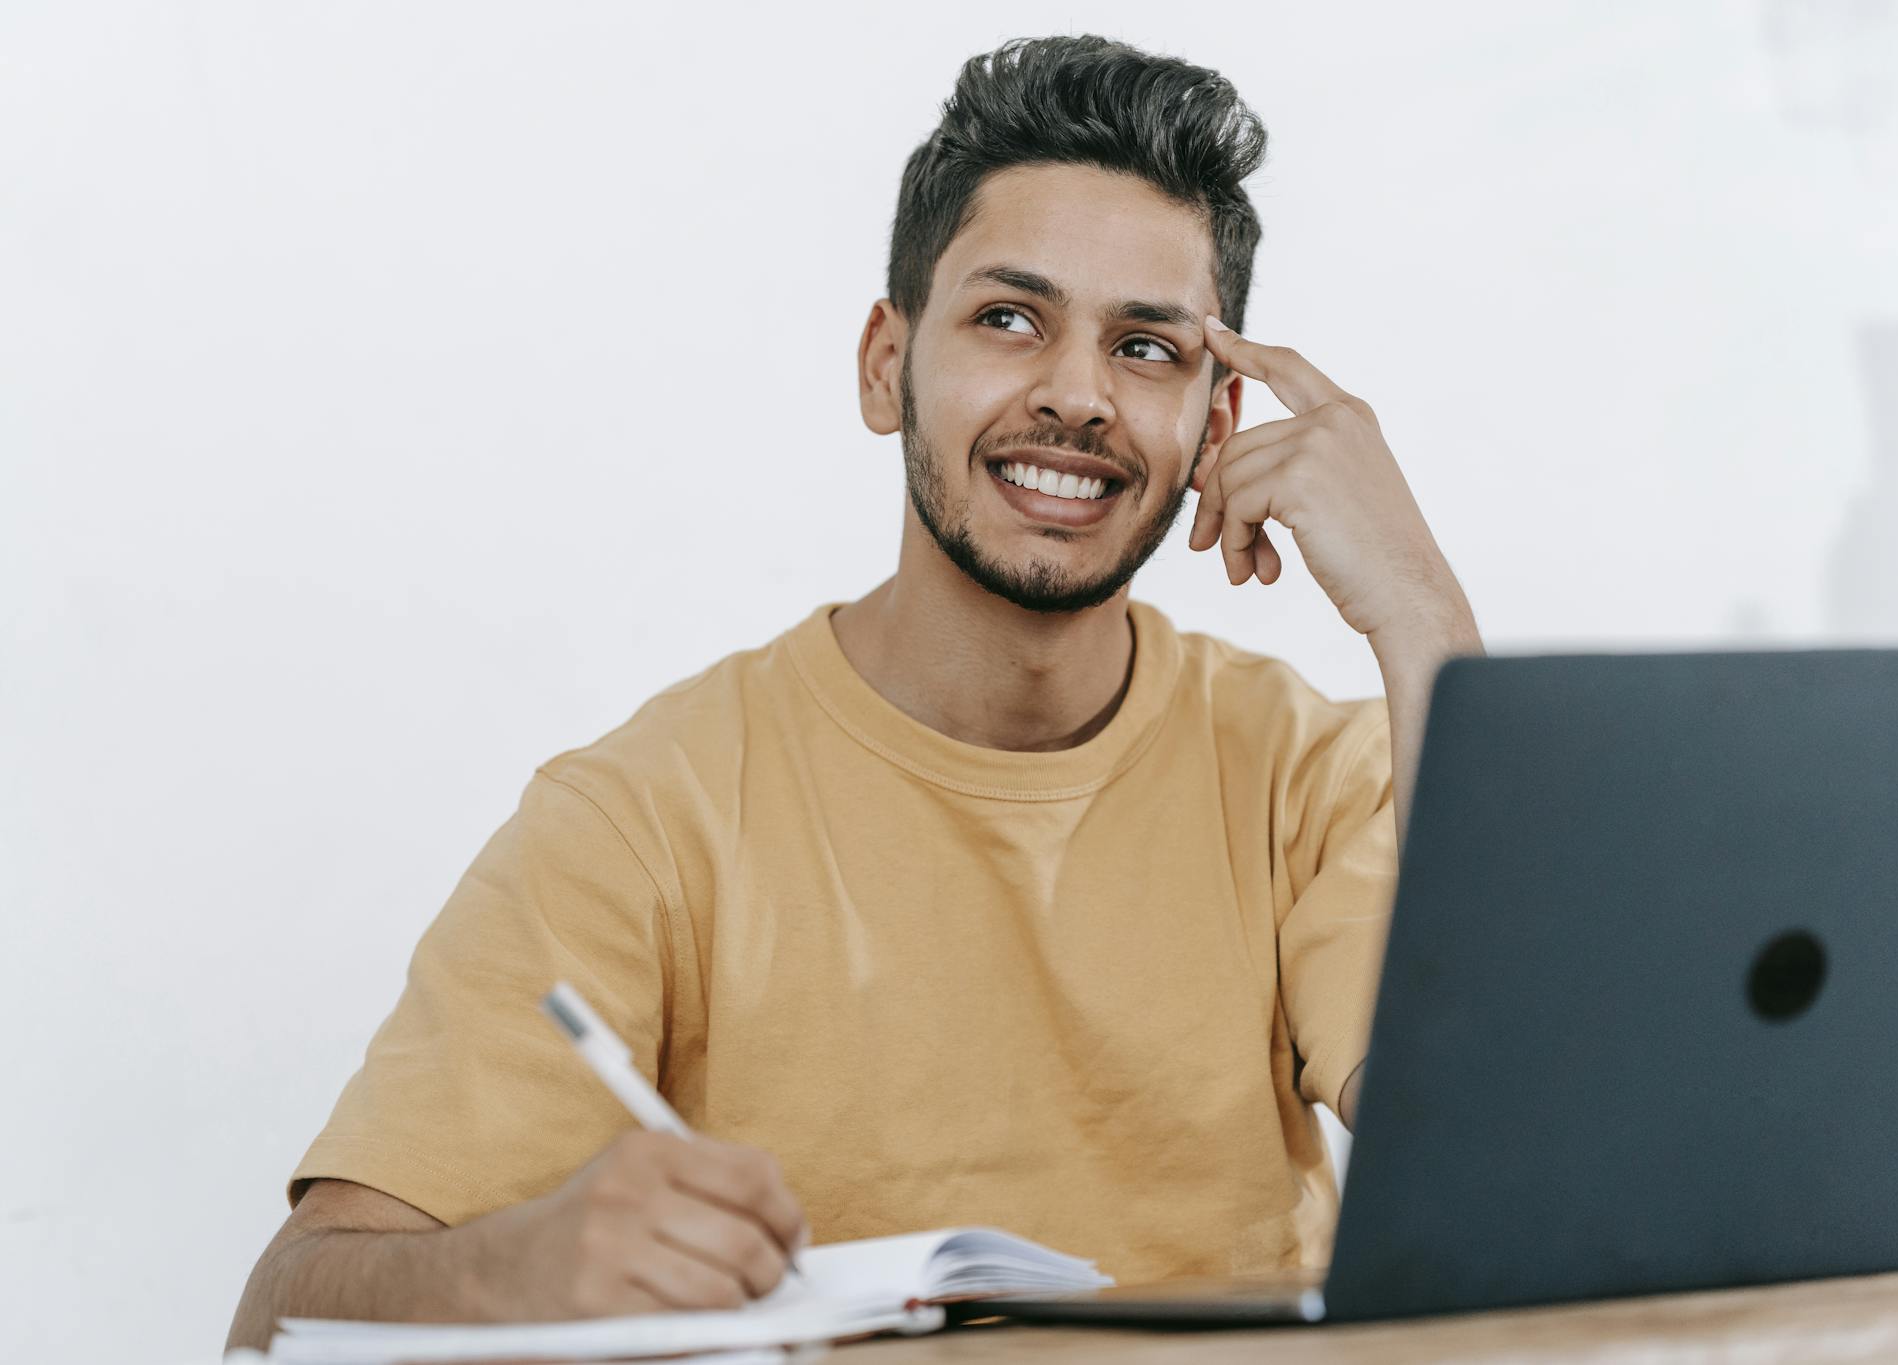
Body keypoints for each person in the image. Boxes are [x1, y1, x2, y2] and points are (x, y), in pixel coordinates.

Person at [226, 32, 1483, 1350]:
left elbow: (1529, 1186)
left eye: (1149, 349)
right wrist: (518, 1261)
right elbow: (273, 1318)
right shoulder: (647, 815)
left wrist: (1424, 620)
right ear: (887, 365)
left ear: (1217, 428)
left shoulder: (1316, 775)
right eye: (1010, 319)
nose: (1076, 396)